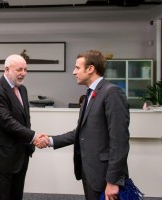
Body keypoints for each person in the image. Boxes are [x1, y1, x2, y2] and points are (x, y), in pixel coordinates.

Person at [36, 50, 130, 200]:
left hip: (105, 176)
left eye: (77, 68)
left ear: (90, 68)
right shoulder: (90, 95)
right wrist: (50, 140)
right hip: (90, 172)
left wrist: (113, 181)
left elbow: (119, 140)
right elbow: (80, 132)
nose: (74, 72)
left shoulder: (111, 92)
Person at [0, 54, 48, 200]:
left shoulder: (22, 89)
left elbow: (25, 120)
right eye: (19, 69)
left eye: (25, 69)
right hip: (2, 157)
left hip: (21, 154)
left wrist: (31, 140)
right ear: (7, 70)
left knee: (16, 196)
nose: (23, 73)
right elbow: (6, 121)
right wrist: (34, 136)